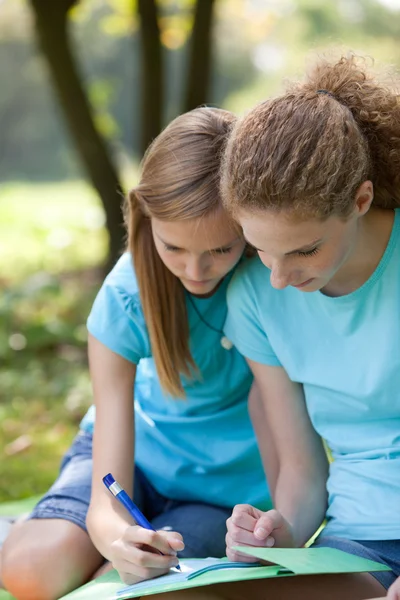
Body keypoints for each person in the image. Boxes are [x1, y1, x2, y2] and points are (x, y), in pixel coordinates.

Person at [143, 54, 400, 600]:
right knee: (190, 596)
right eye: (261, 251)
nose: (279, 279)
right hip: (362, 545)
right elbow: (304, 471)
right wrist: (279, 531)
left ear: (361, 199)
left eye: (304, 249)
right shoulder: (255, 297)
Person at [1, 107, 272, 600]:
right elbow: (110, 484)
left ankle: (91, 556)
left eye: (220, 250)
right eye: (174, 248)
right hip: (131, 461)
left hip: (221, 495)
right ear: (145, 218)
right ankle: (35, 529)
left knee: (140, 589)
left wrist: (121, 558)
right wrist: (111, 533)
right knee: (31, 572)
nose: (196, 270)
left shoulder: (271, 281)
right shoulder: (126, 296)